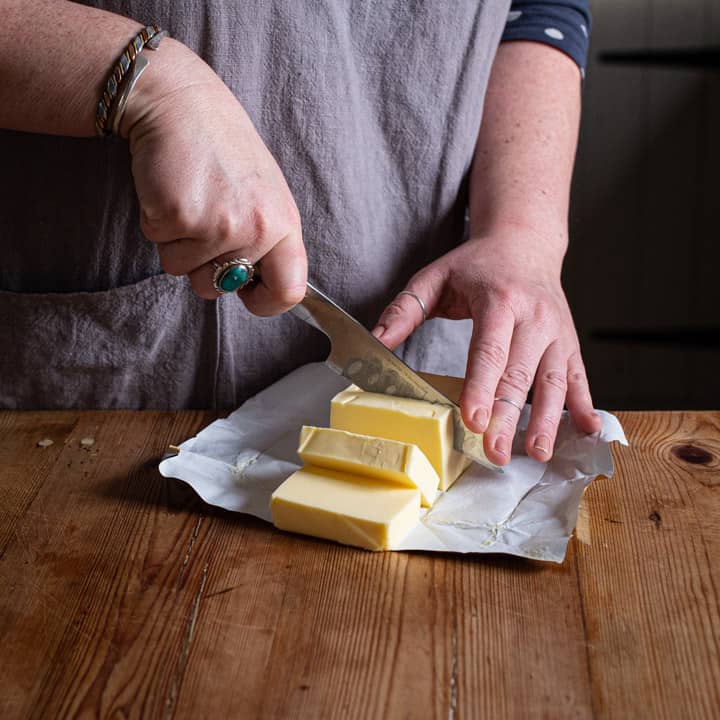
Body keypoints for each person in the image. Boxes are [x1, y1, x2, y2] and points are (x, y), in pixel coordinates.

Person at [0, 0, 601, 466]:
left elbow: (539, 10)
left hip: (417, 349)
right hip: (84, 407)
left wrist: (524, 232)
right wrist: (145, 81)